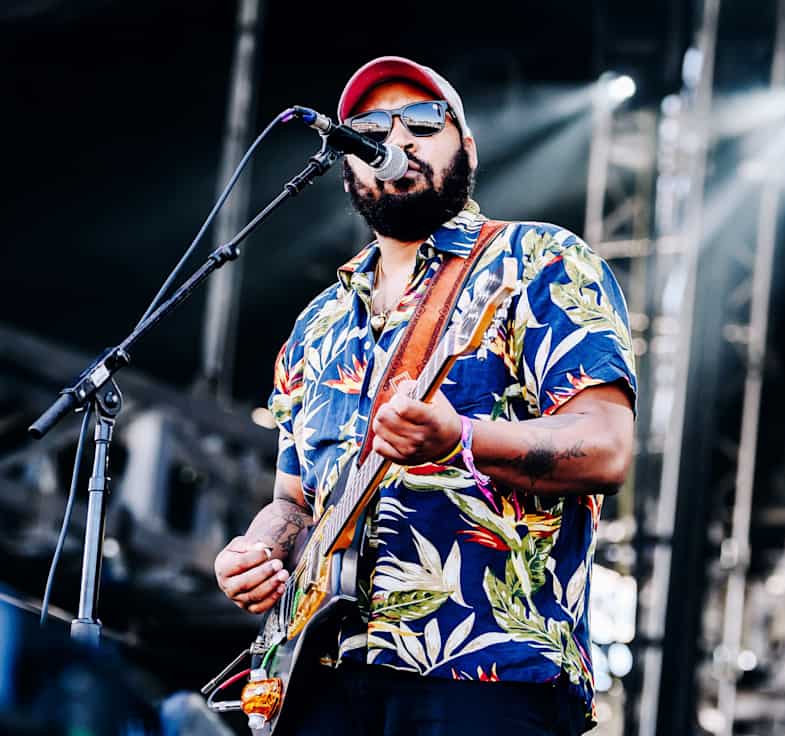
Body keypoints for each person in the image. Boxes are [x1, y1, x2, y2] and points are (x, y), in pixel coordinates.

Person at [214, 56, 636, 735]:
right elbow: (294, 502)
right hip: (317, 678)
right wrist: (257, 552)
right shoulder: (317, 324)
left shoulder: (538, 261)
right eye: (371, 127)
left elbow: (606, 448)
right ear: (348, 161)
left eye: (421, 121)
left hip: (485, 672)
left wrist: (460, 438)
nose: (397, 140)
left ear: (466, 147)